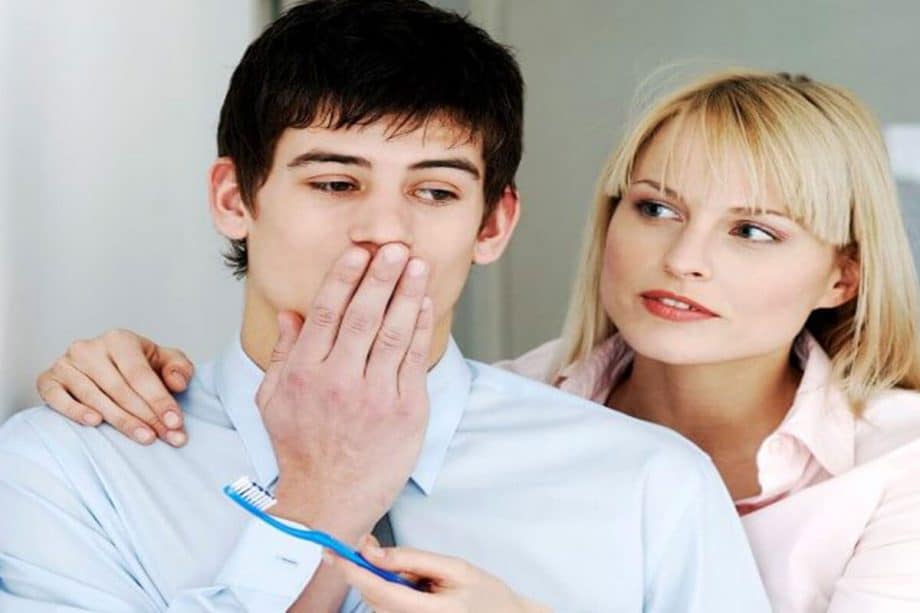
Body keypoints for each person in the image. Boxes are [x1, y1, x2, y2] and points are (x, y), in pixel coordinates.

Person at [45, 68, 920, 612]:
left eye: (754, 231)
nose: (684, 259)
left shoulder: (674, 478)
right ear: (236, 199)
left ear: (494, 223)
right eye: (654, 208)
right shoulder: (76, 459)